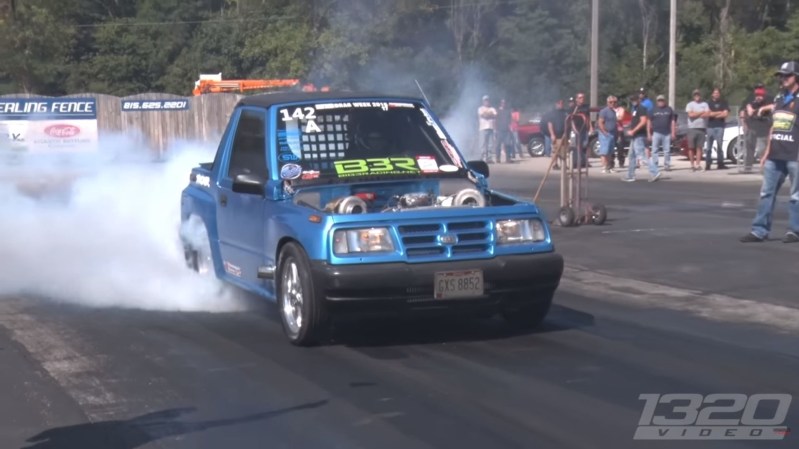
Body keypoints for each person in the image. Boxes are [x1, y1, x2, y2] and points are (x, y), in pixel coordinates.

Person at [740, 61, 799, 243]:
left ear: (796, 77)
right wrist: (767, 151)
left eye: (786, 75)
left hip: (795, 154)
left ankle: (794, 231)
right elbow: (775, 125)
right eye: (780, 76)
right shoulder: (780, 98)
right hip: (775, 154)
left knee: (796, 195)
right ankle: (759, 230)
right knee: (766, 193)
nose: (782, 79)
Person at [622, 95, 660, 182]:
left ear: (638, 100)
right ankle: (630, 175)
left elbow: (643, 121)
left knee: (641, 156)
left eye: (634, 99)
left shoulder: (641, 108)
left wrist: (633, 131)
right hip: (635, 136)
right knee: (631, 155)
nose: (633, 101)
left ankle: (655, 172)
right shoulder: (634, 109)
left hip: (639, 135)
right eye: (631, 100)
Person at [741, 85, 772, 173]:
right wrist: (744, 124)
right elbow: (745, 113)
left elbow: (773, 106)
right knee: (749, 149)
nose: (758, 97)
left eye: (760, 95)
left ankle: (763, 168)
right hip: (752, 129)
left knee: (761, 150)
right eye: (757, 95)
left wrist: (761, 109)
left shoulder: (767, 103)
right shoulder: (752, 103)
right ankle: (747, 167)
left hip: (763, 131)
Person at [649, 94, 677, 171]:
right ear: (657, 101)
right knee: (654, 150)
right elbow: (649, 122)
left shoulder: (669, 109)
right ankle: (655, 165)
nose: (660, 102)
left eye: (662, 100)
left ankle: (667, 165)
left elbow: (672, 121)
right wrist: (649, 133)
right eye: (659, 100)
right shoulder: (653, 110)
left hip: (667, 133)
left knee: (667, 150)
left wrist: (673, 132)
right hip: (656, 132)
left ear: (664, 101)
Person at [705, 87, 730, 170]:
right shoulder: (708, 103)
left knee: (720, 146)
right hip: (710, 127)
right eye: (715, 93)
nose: (716, 94)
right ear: (712, 94)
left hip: (720, 126)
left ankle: (720, 163)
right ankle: (708, 163)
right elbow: (708, 114)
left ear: (719, 94)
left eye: (717, 93)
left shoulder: (724, 102)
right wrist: (719, 112)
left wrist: (714, 114)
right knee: (709, 146)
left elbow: (725, 114)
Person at [685, 89, 710, 171]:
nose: (697, 96)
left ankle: (698, 164)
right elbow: (691, 115)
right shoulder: (690, 104)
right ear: (693, 96)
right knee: (691, 148)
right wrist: (701, 112)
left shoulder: (705, 104)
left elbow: (707, 114)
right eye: (695, 95)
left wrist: (697, 113)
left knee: (699, 147)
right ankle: (692, 165)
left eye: (698, 95)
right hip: (692, 128)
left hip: (702, 128)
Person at [542, 99, 568, 169]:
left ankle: (564, 165)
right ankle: (555, 164)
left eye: (562, 103)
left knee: (563, 151)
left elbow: (568, 122)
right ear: (556, 104)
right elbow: (550, 124)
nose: (561, 104)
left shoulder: (565, 112)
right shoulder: (553, 113)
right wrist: (552, 134)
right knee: (555, 151)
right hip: (556, 135)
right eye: (559, 103)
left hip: (564, 135)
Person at [570, 92, 592, 168]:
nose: (582, 99)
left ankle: (585, 162)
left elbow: (588, 118)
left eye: (583, 97)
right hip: (577, 129)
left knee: (585, 145)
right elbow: (571, 119)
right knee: (577, 146)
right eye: (580, 98)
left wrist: (590, 127)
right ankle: (576, 162)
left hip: (585, 129)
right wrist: (574, 129)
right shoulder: (574, 107)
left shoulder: (586, 107)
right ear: (576, 99)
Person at [597, 95, 618, 173]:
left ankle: (609, 167)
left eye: (614, 102)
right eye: (611, 102)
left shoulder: (613, 112)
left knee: (610, 152)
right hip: (605, 134)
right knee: (604, 151)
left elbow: (614, 123)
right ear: (607, 102)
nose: (612, 103)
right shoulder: (604, 111)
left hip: (612, 133)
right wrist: (604, 132)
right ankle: (604, 167)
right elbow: (600, 122)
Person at [494, 98, 514, 163]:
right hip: (499, 130)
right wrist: (495, 129)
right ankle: (498, 158)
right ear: (501, 103)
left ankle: (508, 158)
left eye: (504, 103)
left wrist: (511, 128)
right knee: (498, 145)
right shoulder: (498, 111)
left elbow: (510, 120)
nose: (503, 104)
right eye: (502, 103)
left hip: (507, 131)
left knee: (507, 144)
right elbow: (495, 120)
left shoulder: (508, 111)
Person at [477, 95, 496, 163]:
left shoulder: (492, 109)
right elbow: (483, 115)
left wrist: (487, 114)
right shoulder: (480, 108)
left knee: (490, 144)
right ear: (483, 101)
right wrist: (489, 114)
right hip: (483, 128)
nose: (487, 102)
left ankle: (489, 158)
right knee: (482, 144)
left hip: (490, 128)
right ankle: (482, 157)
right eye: (485, 100)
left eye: (487, 100)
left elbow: (494, 115)